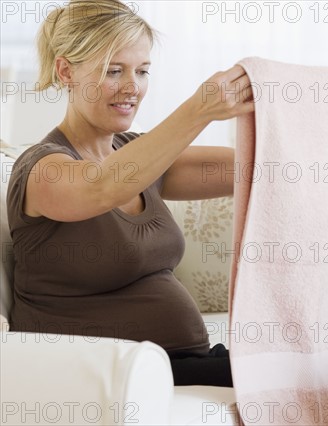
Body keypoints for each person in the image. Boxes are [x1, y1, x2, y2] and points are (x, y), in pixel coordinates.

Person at [6, 0, 254, 387]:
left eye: (142, 71)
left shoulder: (135, 153)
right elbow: (103, 185)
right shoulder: (42, 168)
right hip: (108, 377)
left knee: (327, 368)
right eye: (113, 70)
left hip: (179, 362)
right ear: (66, 70)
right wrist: (199, 109)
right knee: (304, 382)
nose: (132, 87)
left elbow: (253, 169)